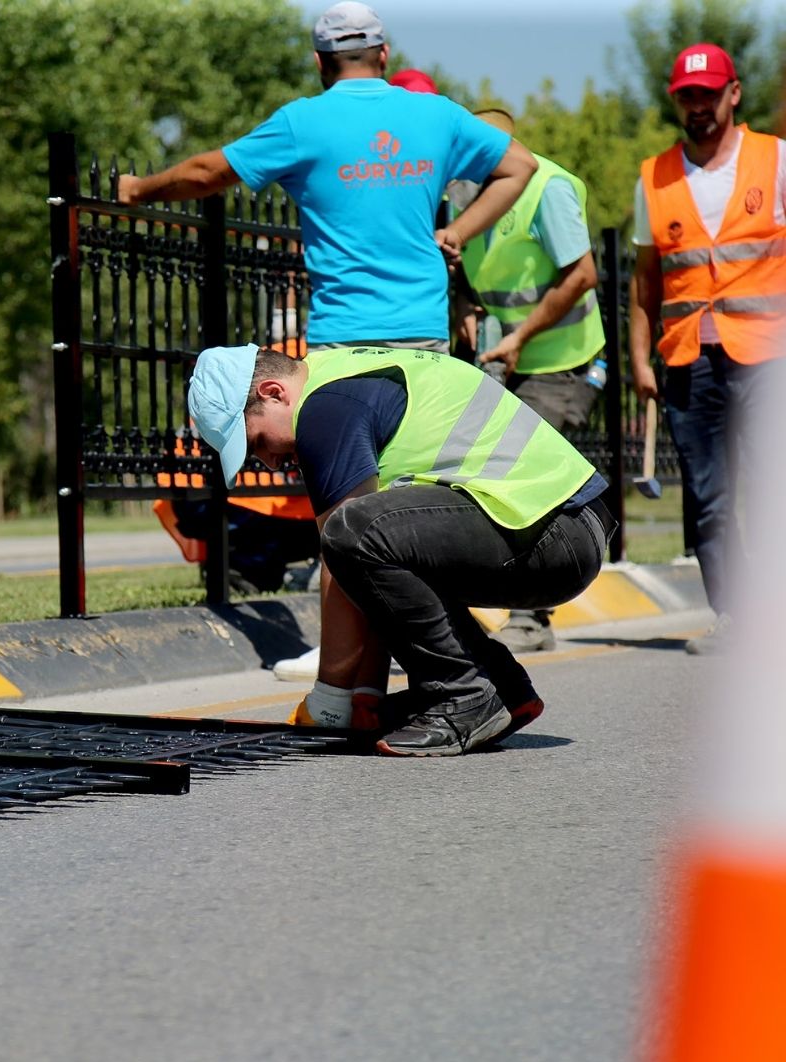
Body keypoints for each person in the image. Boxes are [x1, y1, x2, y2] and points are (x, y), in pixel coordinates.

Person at [187, 343, 612, 755]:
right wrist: (366, 697)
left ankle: (465, 695)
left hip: (552, 534)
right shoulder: (337, 373)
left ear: (273, 393)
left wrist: (330, 699)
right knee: (372, 537)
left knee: (349, 530)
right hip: (562, 528)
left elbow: (343, 556)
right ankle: (501, 688)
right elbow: (371, 579)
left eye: (257, 442)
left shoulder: (324, 409)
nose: (271, 462)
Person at [116, 2, 537, 354]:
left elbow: (209, 173)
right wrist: (457, 233)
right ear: (384, 54)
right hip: (422, 332)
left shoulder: (302, 123)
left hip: (342, 338)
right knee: (415, 454)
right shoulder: (438, 115)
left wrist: (138, 189)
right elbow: (521, 166)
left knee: (347, 454)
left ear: (320, 61)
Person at [630, 43, 786, 655]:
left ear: (733, 93)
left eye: (708, 93)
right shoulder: (655, 176)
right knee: (708, 493)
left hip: (769, 354)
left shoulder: (774, 160)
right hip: (689, 359)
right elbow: (645, 280)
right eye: (687, 96)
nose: (698, 106)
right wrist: (641, 359)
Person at [453, 107, 608, 653]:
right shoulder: (464, 190)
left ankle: (531, 616)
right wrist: (464, 306)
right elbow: (458, 267)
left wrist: (520, 338)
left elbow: (583, 274)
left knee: (529, 475)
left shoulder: (548, 187)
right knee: (483, 474)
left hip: (563, 360)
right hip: (504, 358)